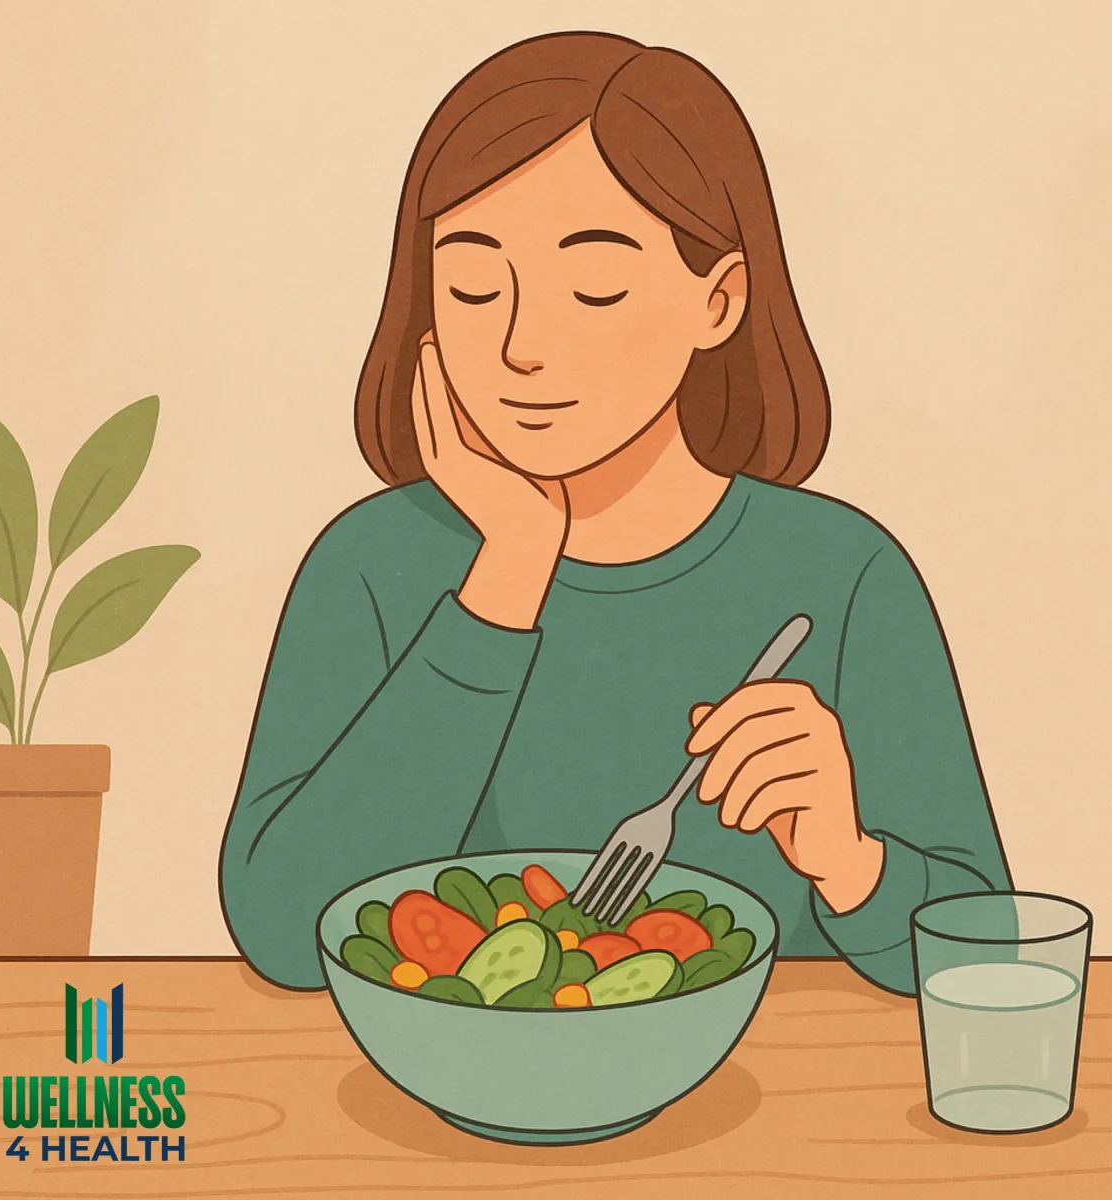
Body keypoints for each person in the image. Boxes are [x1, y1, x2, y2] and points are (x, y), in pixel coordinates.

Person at [218, 31, 1012, 996]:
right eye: (472, 286)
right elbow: (286, 929)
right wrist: (506, 573)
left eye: (593, 286)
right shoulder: (373, 562)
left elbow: (991, 958)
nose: (521, 345)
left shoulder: (840, 573)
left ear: (717, 300)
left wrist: (851, 862)